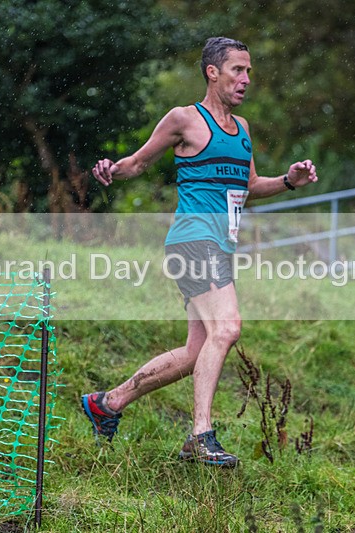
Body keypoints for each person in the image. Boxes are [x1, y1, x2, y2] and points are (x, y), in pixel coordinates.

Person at [82, 36, 318, 468]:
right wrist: (109, 169)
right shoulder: (185, 119)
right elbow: (137, 163)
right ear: (213, 72)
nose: (245, 79)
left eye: (248, 71)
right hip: (193, 239)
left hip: (220, 247)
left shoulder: (242, 129)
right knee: (227, 328)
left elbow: (247, 186)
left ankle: (108, 403)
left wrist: (287, 180)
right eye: (237, 70)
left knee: (197, 352)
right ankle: (200, 436)